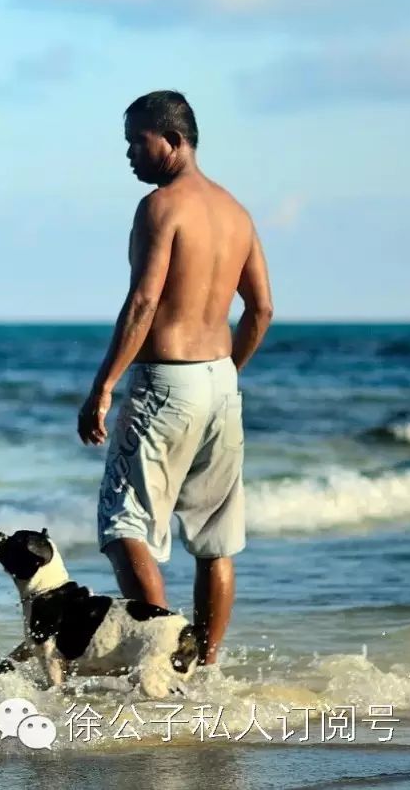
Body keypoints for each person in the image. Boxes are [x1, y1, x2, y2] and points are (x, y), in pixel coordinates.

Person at [77, 90, 273, 667]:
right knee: (215, 541)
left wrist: (102, 386)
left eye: (139, 141)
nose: (131, 154)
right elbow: (261, 311)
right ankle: (204, 670)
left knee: (123, 525)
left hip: (166, 382)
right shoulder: (236, 212)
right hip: (219, 383)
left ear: (174, 141)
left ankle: (158, 660)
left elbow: (143, 302)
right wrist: (227, 373)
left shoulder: (162, 207)